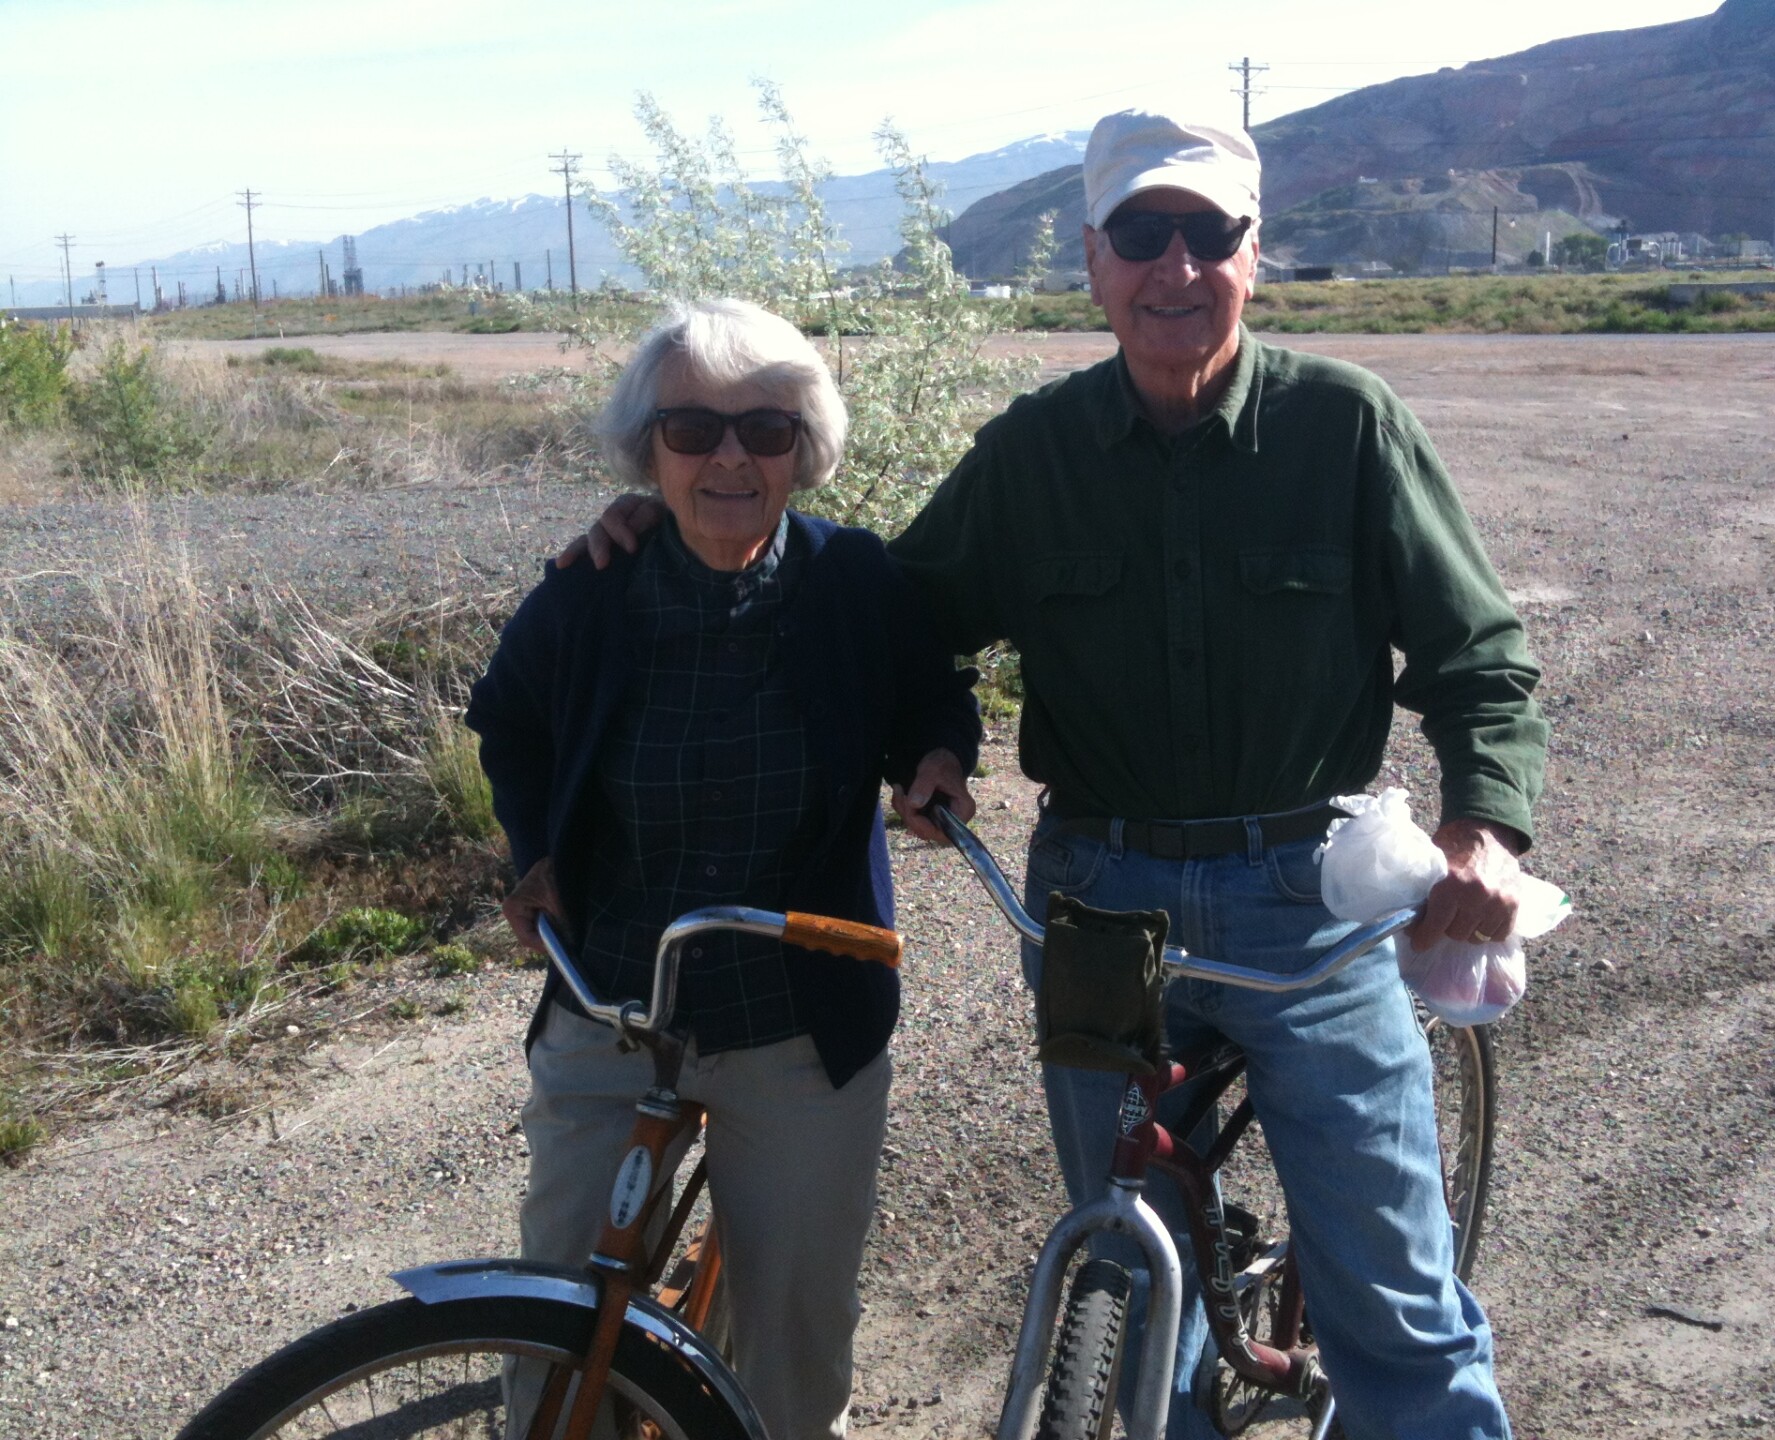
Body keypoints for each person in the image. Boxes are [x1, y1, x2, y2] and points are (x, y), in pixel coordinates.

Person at [566, 111, 1546, 1440]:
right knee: (1132, 1286)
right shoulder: (1036, 454)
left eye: (1208, 234)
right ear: (1094, 259)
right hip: (1100, 911)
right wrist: (677, 523)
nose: (1175, 267)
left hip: (1311, 906)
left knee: (1393, 1302)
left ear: (1254, 253)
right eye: (1142, 234)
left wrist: (1484, 830)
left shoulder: (1347, 428)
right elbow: (886, 616)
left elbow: (1478, 652)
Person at [467, 296, 981, 1440]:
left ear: (806, 448)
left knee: (793, 1355)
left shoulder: (855, 580)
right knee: (556, 1332)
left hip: (800, 1020)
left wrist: (941, 759)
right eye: (693, 430)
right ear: (649, 452)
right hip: (611, 998)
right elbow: (509, 720)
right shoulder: (592, 588)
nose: (731, 458)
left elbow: (931, 694)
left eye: (767, 429)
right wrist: (534, 850)